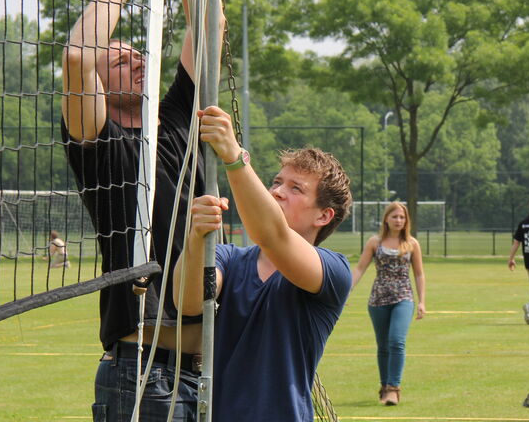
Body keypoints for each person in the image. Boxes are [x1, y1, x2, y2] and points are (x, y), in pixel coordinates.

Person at [60, 0, 215, 419]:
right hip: (140, 373)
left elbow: (208, 29)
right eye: (120, 59)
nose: (136, 59)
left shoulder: (175, 122)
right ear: (100, 86)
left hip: (208, 365)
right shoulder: (99, 144)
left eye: (137, 54)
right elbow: (76, 58)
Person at [174, 106, 353, 421]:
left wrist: (234, 156)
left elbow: (273, 235)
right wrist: (196, 236)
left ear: (323, 216)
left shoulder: (334, 270)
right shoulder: (229, 258)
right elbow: (187, 303)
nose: (277, 192)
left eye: (295, 188)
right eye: (277, 181)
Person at [351, 201, 426, 405]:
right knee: (383, 346)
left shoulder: (412, 243)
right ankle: (384, 388)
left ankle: (394, 388)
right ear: (386, 219)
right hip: (378, 299)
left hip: (403, 297)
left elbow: (419, 274)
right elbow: (359, 269)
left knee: (396, 341)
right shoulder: (375, 242)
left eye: (402, 217)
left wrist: (422, 302)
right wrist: (346, 290)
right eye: (395, 217)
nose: (399, 220)